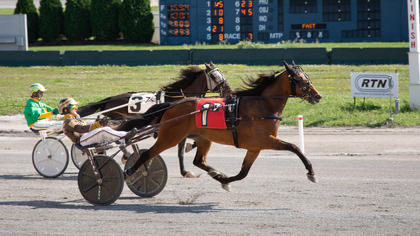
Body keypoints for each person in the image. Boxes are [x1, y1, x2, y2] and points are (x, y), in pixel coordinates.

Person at [58, 97, 137, 147]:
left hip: (87, 137)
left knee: (106, 127)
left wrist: (99, 122)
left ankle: (125, 136)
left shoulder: (75, 118)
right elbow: (81, 128)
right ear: (65, 110)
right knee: (103, 130)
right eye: (73, 106)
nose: (76, 108)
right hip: (82, 141)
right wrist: (98, 124)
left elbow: (85, 125)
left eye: (76, 106)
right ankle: (125, 137)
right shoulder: (68, 121)